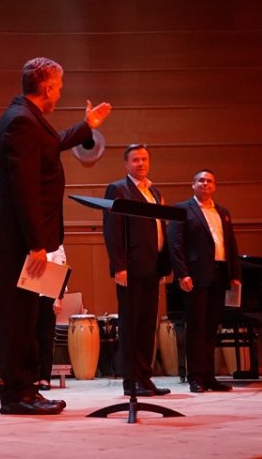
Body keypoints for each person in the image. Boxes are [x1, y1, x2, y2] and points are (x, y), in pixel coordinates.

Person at [0, 56, 111, 415]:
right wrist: (36, 244)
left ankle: (26, 390)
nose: (60, 94)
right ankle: (17, 394)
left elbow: (50, 144)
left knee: (25, 316)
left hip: (18, 235)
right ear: (48, 88)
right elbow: (24, 188)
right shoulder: (21, 120)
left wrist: (87, 126)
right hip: (16, 237)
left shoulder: (26, 117)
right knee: (17, 318)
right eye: (59, 88)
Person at [103, 144, 171, 397]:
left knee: (147, 325)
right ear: (126, 164)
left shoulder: (154, 191)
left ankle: (144, 377)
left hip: (153, 267)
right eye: (135, 160)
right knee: (131, 323)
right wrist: (119, 266)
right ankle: (131, 381)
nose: (141, 163)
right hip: (130, 267)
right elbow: (112, 229)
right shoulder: (118, 189)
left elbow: (161, 228)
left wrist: (164, 265)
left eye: (144, 159)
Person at [168, 169, 241, 393]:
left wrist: (235, 274)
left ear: (214, 186)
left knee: (210, 328)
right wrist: (182, 274)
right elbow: (175, 244)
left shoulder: (222, 211)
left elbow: (230, 243)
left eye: (209, 181)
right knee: (196, 328)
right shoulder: (183, 209)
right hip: (195, 276)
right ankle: (196, 377)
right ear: (193, 184)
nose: (205, 184)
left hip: (219, 273)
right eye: (200, 180)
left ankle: (209, 377)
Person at [36, 245, 66, 391]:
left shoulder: (56, 245)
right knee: (30, 338)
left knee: (46, 338)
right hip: (29, 293)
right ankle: (32, 376)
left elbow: (61, 272)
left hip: (48, 294)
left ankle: (44, 377)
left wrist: (59, 298)